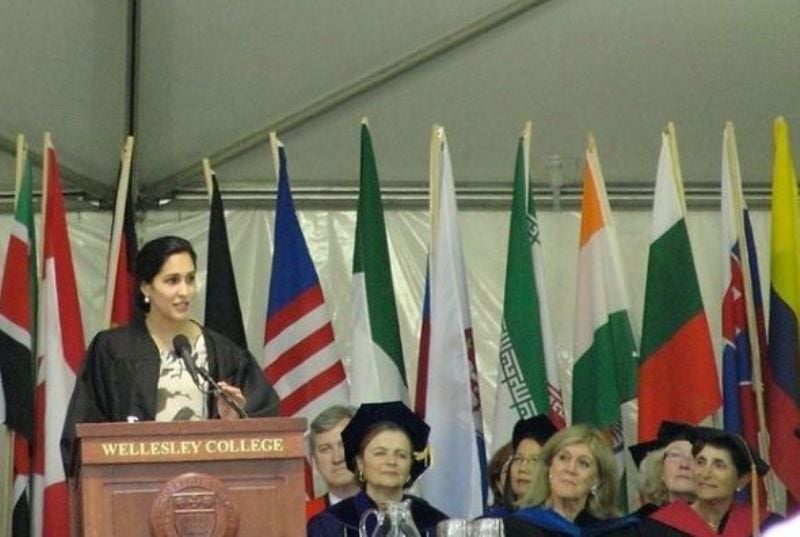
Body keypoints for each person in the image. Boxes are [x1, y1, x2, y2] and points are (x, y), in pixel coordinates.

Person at [60, 236, 280, 474]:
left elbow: (267, 424)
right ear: (146, 287)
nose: (184, 291)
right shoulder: (113, 351)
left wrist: (235, 420)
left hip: (209, 487)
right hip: (134, 492)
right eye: (172, 281)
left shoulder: (224, 353)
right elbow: (83, 434)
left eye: (190, 279)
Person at [307, 401, 448, 536]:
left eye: (401, 455)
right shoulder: (329, 525)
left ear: (411, 465)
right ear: (360, 463)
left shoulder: (434, 523)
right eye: (380, 453)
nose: (391, 461)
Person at [502, 424, 639, 536]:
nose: (570, 469)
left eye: (583, 463)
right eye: (563, 458)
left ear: (597, 479)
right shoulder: (518, 528)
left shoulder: (616, 531)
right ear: (549, 466)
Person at [640, 428, 780, 536]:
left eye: (719, 465)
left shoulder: (766, 527)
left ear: (742, 480)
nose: (706, 474)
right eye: (701, 462)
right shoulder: (656, 529)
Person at [489, 415, 558, 516]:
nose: (523, 468)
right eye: (518, 459)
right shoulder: (491, 523)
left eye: (534, 460)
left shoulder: (561, 526)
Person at [629, 421, 696, 517]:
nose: (684, 464)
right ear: (660, 469)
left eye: (694, 457)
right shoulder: (640, 526)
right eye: (675, 455)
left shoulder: (720, 525)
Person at [306, 405, 360, 520]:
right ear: (315, 460)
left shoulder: (393, 512)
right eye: (325, 449)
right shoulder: (303, 519)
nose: (337, 458)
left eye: (344, 445)